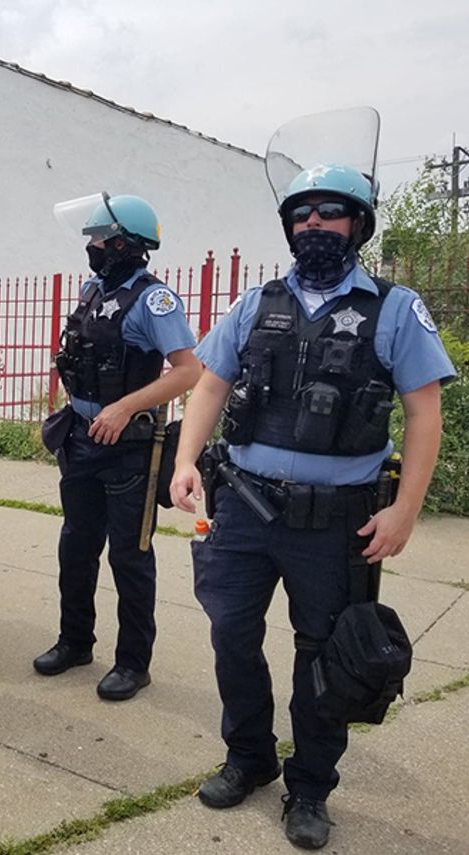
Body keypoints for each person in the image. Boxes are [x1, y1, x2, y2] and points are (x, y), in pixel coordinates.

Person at [170, 163, 455, 850]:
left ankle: (311, 786)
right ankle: (249, 755)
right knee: (230, 632)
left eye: (331, 212)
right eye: (303, 214)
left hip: (336, 519)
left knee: (323, 653)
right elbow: (209, 385)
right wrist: (184, 461)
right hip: (241, 506)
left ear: (358, 224)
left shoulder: (393, 308)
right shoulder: (256, 302)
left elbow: (425, 411)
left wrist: (406, 509)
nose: (314, 225)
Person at [35, 194, 199, 701]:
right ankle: (75, 641)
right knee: (76, 547)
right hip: (82, 440)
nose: (92, 246)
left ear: (126, 243)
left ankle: (133, 662)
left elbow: (190, 370)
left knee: (130, 556)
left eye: (99, 238)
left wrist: (125, 406)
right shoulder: (91, 290)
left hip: (129, 448)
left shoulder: (153, 301)